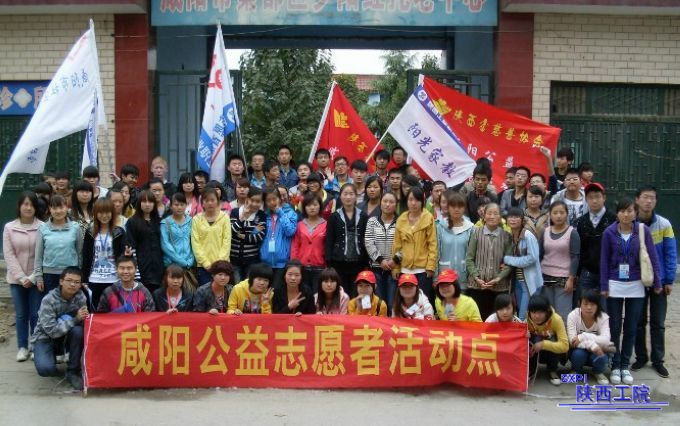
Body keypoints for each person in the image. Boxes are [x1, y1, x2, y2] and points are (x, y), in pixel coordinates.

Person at [600, 197, 662, 385]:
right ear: (617, 213)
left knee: (631, 326)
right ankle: (615, 364)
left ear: (635, 213)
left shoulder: (642, 231)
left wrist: (657, 282)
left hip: (636, 284)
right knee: (614, 327)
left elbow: (652, 257)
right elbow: (604, 260)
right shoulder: (609, 232)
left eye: (629, 211)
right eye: (622, 211)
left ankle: (625, 365)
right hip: (614, 284)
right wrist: (604, 286)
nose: (626, 214)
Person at [633, 185, 677, 378]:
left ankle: (658, 360)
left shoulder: (664, 224)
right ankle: (641, 357)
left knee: (658, 322)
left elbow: (670, 253)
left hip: (659, 281)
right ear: (637, 200)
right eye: (645, 197)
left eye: (652, 198)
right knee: (638, 321)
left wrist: (669, 280)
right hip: (637, 280)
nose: (648, 201)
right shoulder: (630, 222)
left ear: (656, 201)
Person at [31, 267, 88, 390]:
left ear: (80, 285)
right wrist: (76, 319)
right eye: (69, 280)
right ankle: (47, 355)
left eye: (77, 282)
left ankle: (73, 371)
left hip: (67, 335)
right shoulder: (48, 300)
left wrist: (83, 318)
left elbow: (84, 322)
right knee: (46, 369)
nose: (73, 284)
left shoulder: (81, 297)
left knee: (79, 331)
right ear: (61, 281)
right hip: (46, 337)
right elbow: (52, 331)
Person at [3, 191, 43, 362]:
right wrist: (21, 277)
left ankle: (35, 346)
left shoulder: (43, 227)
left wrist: (32, 277)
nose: (28, 208)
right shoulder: (9, 227)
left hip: (36, 278)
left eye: (32, 205)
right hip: (16, 280)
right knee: (21, 314)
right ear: (19, 206)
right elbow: (9, 255)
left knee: (35, 314)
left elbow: (43, 254)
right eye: (25, 204)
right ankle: (22, 347)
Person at [465, 202, 512, 320]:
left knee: (497, 320)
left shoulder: (506, 236)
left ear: (500, 217)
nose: (492, 216)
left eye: (496, 214)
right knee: (478, 319)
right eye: (489, 213)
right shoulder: (476, 233)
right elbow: (469, 259)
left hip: (499, 287)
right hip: (477, 286)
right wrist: (477, 277)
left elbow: (509, 263)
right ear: (484, 216)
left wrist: (498, 278)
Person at [392, 186, 437, 303]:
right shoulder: (401, 219)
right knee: (405, 302)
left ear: (422, 201)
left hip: (422, 269)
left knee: (423, 302)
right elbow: (397, 246)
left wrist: (430, 266)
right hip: (405, 268)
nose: (413, 203)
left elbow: (432, 244)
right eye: (410, 199)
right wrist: (396, 267)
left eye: (417, 200)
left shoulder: (428, 218)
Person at [82, 198, 129, 310]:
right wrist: (84, 279)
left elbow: (123, 255)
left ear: (112, 213)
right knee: (96, 312)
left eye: (107, 212)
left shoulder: (119, 232)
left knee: (114, 312)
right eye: (101, 212)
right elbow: (86, 256)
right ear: (95, 213)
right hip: (94, 279)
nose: (104, 216)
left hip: (114, 279)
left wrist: (127, 254)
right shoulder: (90, 232)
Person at [574, 183, 616, 303]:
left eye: (597, 196)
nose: (594, 201)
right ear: (586, 200)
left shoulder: (613, 220)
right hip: (587, 272)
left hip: (608, 273)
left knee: (605, 308)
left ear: (604, 198)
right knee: (585, 306)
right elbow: (580, 249)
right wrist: (578, 273)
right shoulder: (582, 222)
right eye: (590, 197)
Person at [540, 201, 580, 322]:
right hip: (545, 276)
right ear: (550, 215)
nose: (558, 216)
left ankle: (564, 335)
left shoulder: (572, 233)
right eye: (555, 213)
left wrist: (571, 279)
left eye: (562, 212)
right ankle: (550, 335)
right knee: (548, 313)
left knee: (563, 315)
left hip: (564, 279)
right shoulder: (545, 231)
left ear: (567, 214)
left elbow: (575, 257)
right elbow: (540, 254)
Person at [34, 195, 83, 295]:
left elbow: (80, 253)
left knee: (71, 303)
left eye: (61, 207)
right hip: (49, 275)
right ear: (50, 209)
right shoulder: (43, 228)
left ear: (67, 208)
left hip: (71, 275)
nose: (58, 211)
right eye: (54, 208)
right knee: (51, 303)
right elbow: (38, 255)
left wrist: (80, 274)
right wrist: (38, 277)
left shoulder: (75, 227)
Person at [326, 183, 368, 297]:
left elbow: (366, 239)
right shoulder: (334, 216)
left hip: (359, 263)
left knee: (358, 293)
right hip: (339, 262)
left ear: (356, 196)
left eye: (351, 194)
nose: (348, 197)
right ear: (340, 196)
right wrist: (329, 262)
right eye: (345, 194)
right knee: (341, 294)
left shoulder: (363, 216)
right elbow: (329, 240)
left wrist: (367, 261)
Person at [567, 289, 613, 385]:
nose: (589, 307)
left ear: (598, 305)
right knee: (578, 354)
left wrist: (583, 336)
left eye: (592, 304)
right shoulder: (573, 316)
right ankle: (577, 371)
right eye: (585, 304)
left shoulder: (603, 317)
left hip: (597, 351)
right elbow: (572, 341)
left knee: (602, 355)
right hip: (580, 350)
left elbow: (606, 340)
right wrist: (592, 345)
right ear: (579, 303)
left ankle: (598, 372)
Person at [504, 207, 543, 321]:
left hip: (530, 282)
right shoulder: (511, 235)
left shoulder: (527, 235)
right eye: (510, 217)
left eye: (516, 217)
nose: (513, 219)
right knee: (520, 314)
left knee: (523, 316)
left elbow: (533, 257)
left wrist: (509, 260)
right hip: (518, 281)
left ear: (522, 220)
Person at [191, 188, 232, 286]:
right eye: (206, 200)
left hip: (222, 266)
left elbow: (226, 241)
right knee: (205, 292)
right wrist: (206, 263)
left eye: (212, 200)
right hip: (203, 266)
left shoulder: (225, 218)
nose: (210, 203)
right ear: (202, 203)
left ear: (218, 201)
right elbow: (195, 243)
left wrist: (218, 264)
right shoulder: (196, 219)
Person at [364, 192, 398, 308]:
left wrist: (395, 260)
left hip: (394, 269)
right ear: (380, 203)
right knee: (378, 303)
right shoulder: (372, 221)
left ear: (396, 205)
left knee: (392, 303)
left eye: (391, 202)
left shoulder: (401, 222)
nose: (387, 204)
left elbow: (405, 245)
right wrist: (380, 260)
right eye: (385, 201)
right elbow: (369, 242)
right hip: (376, 268)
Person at [125, 190, 164, 293]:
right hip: (141, 269)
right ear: (139, 203)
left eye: (150, 202)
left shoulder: (159, 221)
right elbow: (130, 246)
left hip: (159, 269)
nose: (147, 204)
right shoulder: (132, 222)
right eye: (144, 201)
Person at [259, 186, 297, 288]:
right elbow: (258, 235)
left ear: (279, 199)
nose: (272, 202)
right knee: (264, 291)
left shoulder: (290, 213)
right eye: (268, 200)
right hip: (265, 262)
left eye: (274, 199)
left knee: (276, 291)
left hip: (281, 263)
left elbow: (290, 231)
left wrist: (280, 213)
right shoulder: (264, 216)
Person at [527, 294, 569, 386]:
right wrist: (524, 335)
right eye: (533, 312)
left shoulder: (556, 319)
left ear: (547, 311)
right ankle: (530, 369)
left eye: (540, 312)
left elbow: (565, 346)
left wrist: (543, 344)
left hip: (550, 352)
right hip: (533, 350)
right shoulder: (526, 318)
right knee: (527, 339)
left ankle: (552, 370)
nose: (537, 316)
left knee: (553, 339)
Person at [436, 191, 474, 291]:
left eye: (460, 206)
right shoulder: (440, 227)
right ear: (448, 208)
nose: (456, 209)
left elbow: (473, 255)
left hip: (464, 276)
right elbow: (436, 253)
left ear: (464, 208)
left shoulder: (470, 228)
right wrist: (435, 278)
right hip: (444, 276)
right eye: (453, 206)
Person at [291, 192, 327, 293]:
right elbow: (295, 246)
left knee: (317, 295)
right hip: (302, 267)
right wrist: (294, 264)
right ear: (304, 207)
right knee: (303, 295)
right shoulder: (299, 225)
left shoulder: (326, 224)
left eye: (315, 205)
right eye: (308, 205)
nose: (312, 208)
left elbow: (327, 246)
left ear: (320, 206)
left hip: (320, 267)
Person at [230, 186, 267, 283]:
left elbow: (259, 237)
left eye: (258, 201)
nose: (254, 204)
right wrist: (242, 218)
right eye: (252, 200)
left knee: (249, 286)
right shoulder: (235, 212)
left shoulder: (261, 215)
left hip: (252, 260)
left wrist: (241, 235)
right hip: (234, 259)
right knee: (236, 287)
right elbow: (231, 232)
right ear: (247, 199)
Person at [160, 193, 195, 279]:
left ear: (186, 205)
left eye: (182, 204)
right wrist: (182, 262)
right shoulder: (165, 223)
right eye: (176, 205)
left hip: (189, 265)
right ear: (171, 206)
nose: (179, 207)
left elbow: (195, 241)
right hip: (172, 265)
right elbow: (165, 245)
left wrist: (191, 260)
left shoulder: (191, 221)